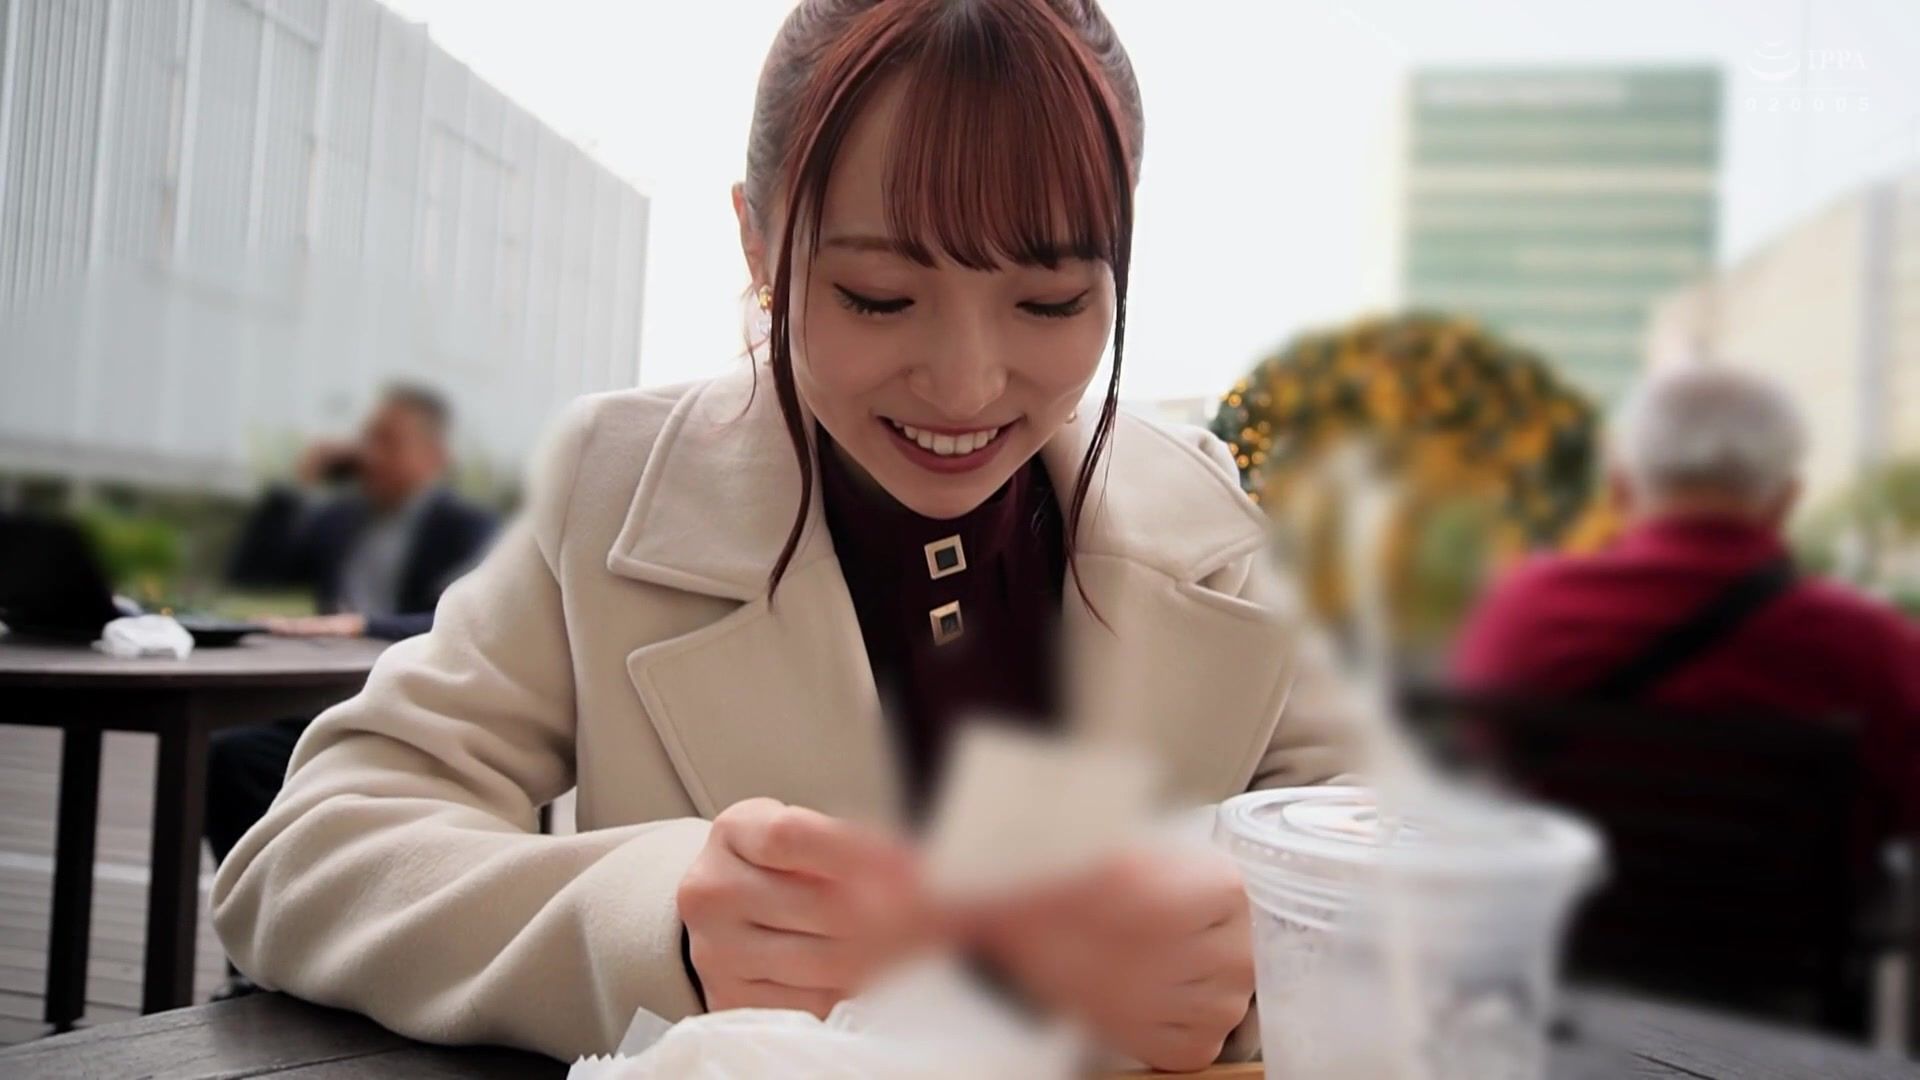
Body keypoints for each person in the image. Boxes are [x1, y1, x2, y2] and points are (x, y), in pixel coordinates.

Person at [210, 1, 1380, 1067]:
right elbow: (307, 857)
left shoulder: (1211, 520)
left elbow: (1415, 871)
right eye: (878, 296)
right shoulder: (614, 485)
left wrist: (1262, 962)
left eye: (1051, 301)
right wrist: (661, 927)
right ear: (757, 242)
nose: (966, 384)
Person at [1455, 363, 1920, 834]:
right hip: (1779, 886)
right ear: (1785, 501)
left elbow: (1472, 772)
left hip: (1566, 883)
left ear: (1619, 491)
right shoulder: (1872, 646)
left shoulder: (1522, 608)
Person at [205, 384, 496, 995]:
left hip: (421, 712)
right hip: (323, 701)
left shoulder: (469, 529)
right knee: (231, 755)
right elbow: (251, 572)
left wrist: (364, 626)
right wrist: (294, 487)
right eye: (367, 439)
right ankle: (260, 956)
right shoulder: (339, 519)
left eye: (388, 441)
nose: (370, 454)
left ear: (434, 456)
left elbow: (473, 618)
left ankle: (341, 953)